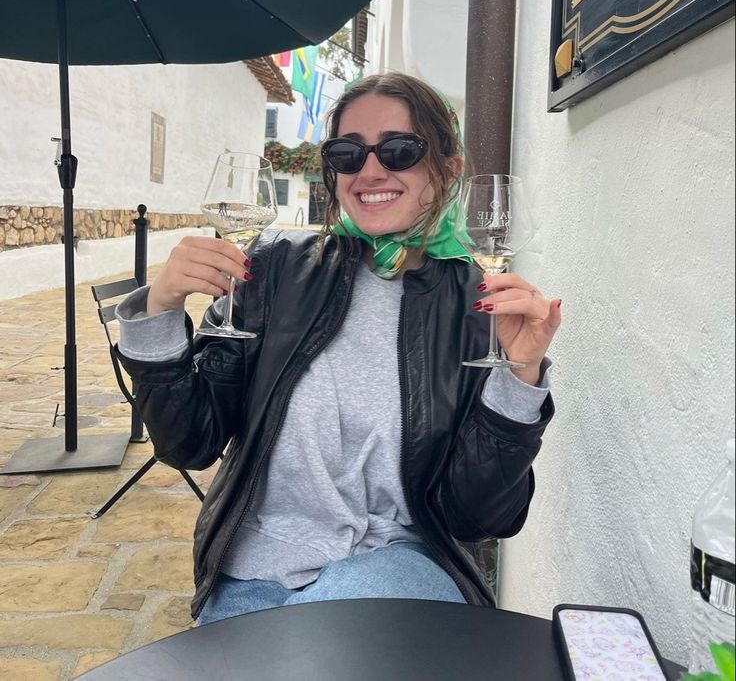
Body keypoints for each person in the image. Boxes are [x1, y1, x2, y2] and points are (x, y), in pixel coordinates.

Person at [116, 73, 561, 624]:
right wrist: (160, 310)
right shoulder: (274, 269)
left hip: (396, 567)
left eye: (400, 150)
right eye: (348, 153)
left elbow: (477, 516)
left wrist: (518, 379)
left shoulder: (478, 303)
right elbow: (189, 444)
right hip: (251, 574)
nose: (370, 171)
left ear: (447, 170)